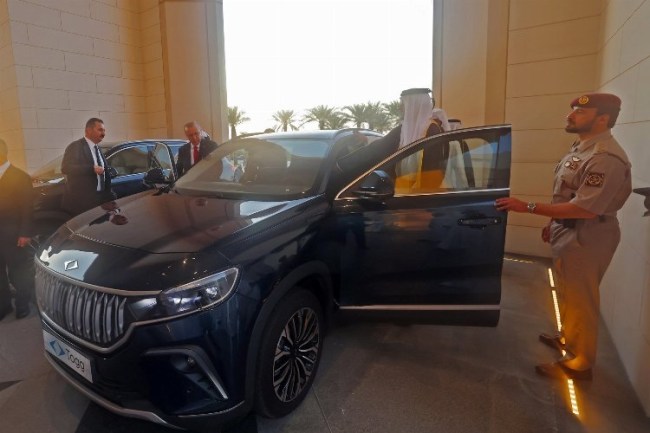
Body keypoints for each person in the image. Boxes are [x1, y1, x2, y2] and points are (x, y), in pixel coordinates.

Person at [495, 93, 632, 380]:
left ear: (603, 119)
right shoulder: (581, 148)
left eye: (580, 112)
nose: (570, 116)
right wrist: (553, 220)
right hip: (568, 229)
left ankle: (580, 363)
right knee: (568, 291)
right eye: (573, 110)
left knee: (581, 300)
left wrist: (527, 207)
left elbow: (584, 208)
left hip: (588, 235)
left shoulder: (605, 158)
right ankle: (568, 338)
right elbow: (567, 195)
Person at [0, 138, 34, 320]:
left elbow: (27, 208)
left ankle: (22, 305)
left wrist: (25, 233)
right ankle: (4, 305)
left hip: (13, 234)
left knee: (18, 271)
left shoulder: (20, 177)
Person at [61, 118, 116, 216]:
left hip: (101, 200)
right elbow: (66, 168)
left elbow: (105, 174)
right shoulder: (75, 146)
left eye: (104, 130)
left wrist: (110, 196)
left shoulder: (98, 148)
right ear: (88, 130)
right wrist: (91, 169)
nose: (103, 133)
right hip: (82, 203)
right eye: (100, 130)